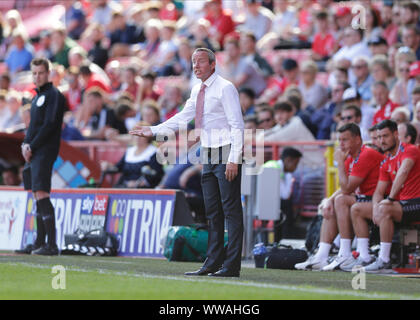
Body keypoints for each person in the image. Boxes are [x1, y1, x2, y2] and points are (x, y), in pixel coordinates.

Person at [130, 48, 244, 277]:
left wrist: (234, 158)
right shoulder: (197, 90)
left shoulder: (225, 88)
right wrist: (153, 130)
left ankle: (231, 265)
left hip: (225, 150)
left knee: (230, 209)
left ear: (213, 64)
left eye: (201, 61)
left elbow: (237, 124)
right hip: (207, 152)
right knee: (212, 211)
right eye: (193, 62)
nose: (196, 66)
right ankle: (212, 263)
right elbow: (183, 117)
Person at [295, 123, 384, 271]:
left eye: (345, 140)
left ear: (357, 140)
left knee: (341, 200)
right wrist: (328, 199)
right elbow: (345, 187)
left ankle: (345, 253)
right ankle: (321, 255)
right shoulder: (352, 156)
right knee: (333, 203)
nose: (340, 144)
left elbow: (347, 188)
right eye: (339, 140)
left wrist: (340, 164)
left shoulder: (366, 154)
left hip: (379, 200)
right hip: (365, 198)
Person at [16, 58, 66, 256]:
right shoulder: (36, 98)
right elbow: (33, 127)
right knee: (37, 194)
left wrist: (32, 145)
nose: (37, 77)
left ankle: (51, 244)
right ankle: (39, 242)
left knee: (43, 193)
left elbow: (50, 124)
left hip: (45, 151)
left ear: (48, 73)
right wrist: (24, 145)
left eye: (41, 73)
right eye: (34, 73)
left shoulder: (54, 96)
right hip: (34, 151)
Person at [363, 120, 420, 273]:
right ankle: (361, 255)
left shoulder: (410, 150)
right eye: (379, 137)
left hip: (416, 202)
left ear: (396, 134)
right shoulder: (386, 161)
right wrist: (376, 206)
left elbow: (403, 172)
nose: (382, 140)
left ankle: (384, 259)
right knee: (357, 209)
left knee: (385, 209)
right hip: (405, 205)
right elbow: (378, 192)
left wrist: (389, 200)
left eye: (385, 136)